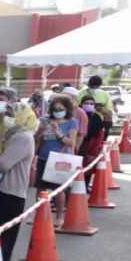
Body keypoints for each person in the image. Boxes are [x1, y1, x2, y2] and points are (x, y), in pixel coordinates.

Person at [0, 104, 36, 261]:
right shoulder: (14, 136)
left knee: (3, 238)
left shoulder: (22, 138)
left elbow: (3, 165)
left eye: (11, 114)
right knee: (2, 236)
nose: (6, 117)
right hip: (8, 190)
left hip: (10, 192)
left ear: (22, 117)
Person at [34, 94, 79, 226]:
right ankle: (38, 213)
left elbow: (71, 142)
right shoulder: (45, 120)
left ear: (67, 109)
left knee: (58, 189)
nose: (57, 112)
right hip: (44, 156)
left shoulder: (72, 122)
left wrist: (58, 132)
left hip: (60, 159)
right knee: (40, 188)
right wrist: (40, 131)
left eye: (60, 109)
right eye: (55, 109)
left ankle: (59, 216)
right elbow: (37, 139)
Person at [76, 93, 106, 191]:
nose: (89, 105)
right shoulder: (78, 115)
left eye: (92, 103)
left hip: (90, 147)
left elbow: (99, 136)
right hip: (77, 145)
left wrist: (93, 152)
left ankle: (83, 189)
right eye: (86, 103)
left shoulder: (96, 117)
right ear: (81, 104)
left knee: (87, 169)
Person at [79, 75, 115, 140]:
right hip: (82, 122)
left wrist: (100, 109)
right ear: (88, 85)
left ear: (100, 86)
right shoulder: (80, 93)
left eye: (96, 87)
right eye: (92, 87)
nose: (94, 89)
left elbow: (109, 113)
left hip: (97, 123)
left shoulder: (105, 95)